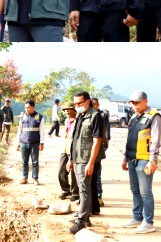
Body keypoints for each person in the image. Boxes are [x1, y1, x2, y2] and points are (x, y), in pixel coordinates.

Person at [122, 90, 161, 234]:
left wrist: (152, 161)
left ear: (146, 101)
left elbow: (155, 141)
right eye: (133, 103)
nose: (135, 106)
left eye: (137, 103)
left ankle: (148, 222)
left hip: (144, 160)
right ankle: (137, 217)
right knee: (135, 190)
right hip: (132, 159)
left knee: (145, 192)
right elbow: (129, 139)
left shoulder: (153, 117)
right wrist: (125, 159)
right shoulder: (133, 117)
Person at [68, 91, 105, 234]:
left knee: (84, 189)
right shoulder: (80, 116)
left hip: (86, 159)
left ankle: (82, 220)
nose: (77, 106)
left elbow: (97, 142)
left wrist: (90, 163)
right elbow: (75, 139)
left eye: (79, 103)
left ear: (87, 102)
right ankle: (85, 216)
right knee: (83, 188)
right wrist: (71, 159)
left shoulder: (95, 117)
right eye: (75, 104)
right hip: (77, 158)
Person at [17, 100, 45, 185]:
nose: (26, 109)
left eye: (28, 107)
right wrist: (18, 143)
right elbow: (19, 130)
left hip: (35, 143)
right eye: (25, 107)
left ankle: (35, 178)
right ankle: (24, 178)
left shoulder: (39, 117)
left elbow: (42, 131)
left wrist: (42, 143)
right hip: (23, 142)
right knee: (24, 161)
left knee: (35, 161)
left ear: (33, 107)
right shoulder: (23, 117)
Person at [58, 102, 79, 202]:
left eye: (69, 109)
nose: (67, 111)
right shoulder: (66, 120)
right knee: (61, 171)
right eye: (65, 109)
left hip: (74, 149)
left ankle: (75, 193)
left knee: (74, 173)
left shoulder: (78, 120)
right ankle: (66, 189)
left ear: (74, 110)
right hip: (65, 148)